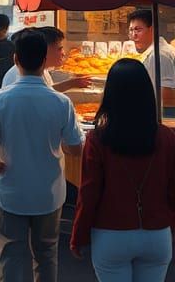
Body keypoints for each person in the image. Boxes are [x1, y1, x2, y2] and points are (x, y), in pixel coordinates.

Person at [0, 29, 84, 282]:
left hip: (12, 190)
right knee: (46, 254)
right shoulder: (60, 103)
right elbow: (75, 149)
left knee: (11, 253)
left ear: (16, 59)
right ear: (44, 60)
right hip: (49, 192)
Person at [71, 58, 175, 280]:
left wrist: (78, 235)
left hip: (111, 233)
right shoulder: (166, 137)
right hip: (157, 233)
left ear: (110, 94)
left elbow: (88, 194)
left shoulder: (97, 139)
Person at [2, 27, 91, 93]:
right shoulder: (18, 74)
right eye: (59, 49)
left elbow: (47, 90)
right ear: (45, 49)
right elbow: (40, 95)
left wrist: (72, 83)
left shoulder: (42, 70)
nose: (63, 53)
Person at [127, 9, 175, 115]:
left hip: (162, 116)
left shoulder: (159, 55)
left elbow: (166, 96)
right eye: (131, 30)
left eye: (138, 30)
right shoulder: (154, 51)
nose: (133, 35)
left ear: (152, 30)